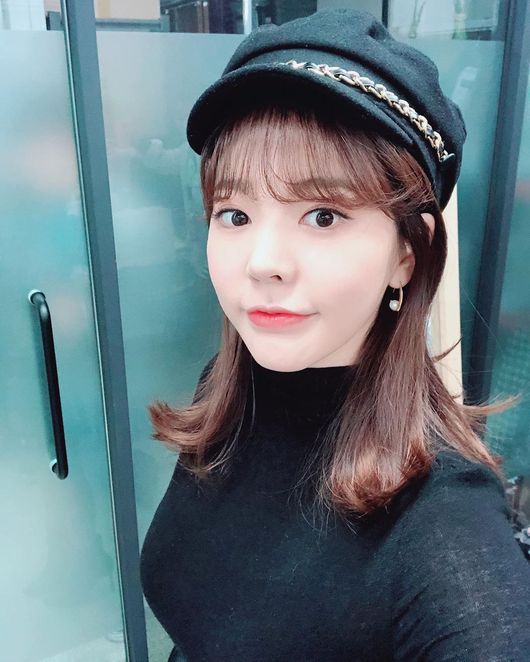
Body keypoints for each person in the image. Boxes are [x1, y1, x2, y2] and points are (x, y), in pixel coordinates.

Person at [140, 9, 530, 661]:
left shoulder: (445, 531)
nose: (263, 262)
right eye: (234, 214)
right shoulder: (230, 393)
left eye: (323, 215)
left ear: (408, 251)